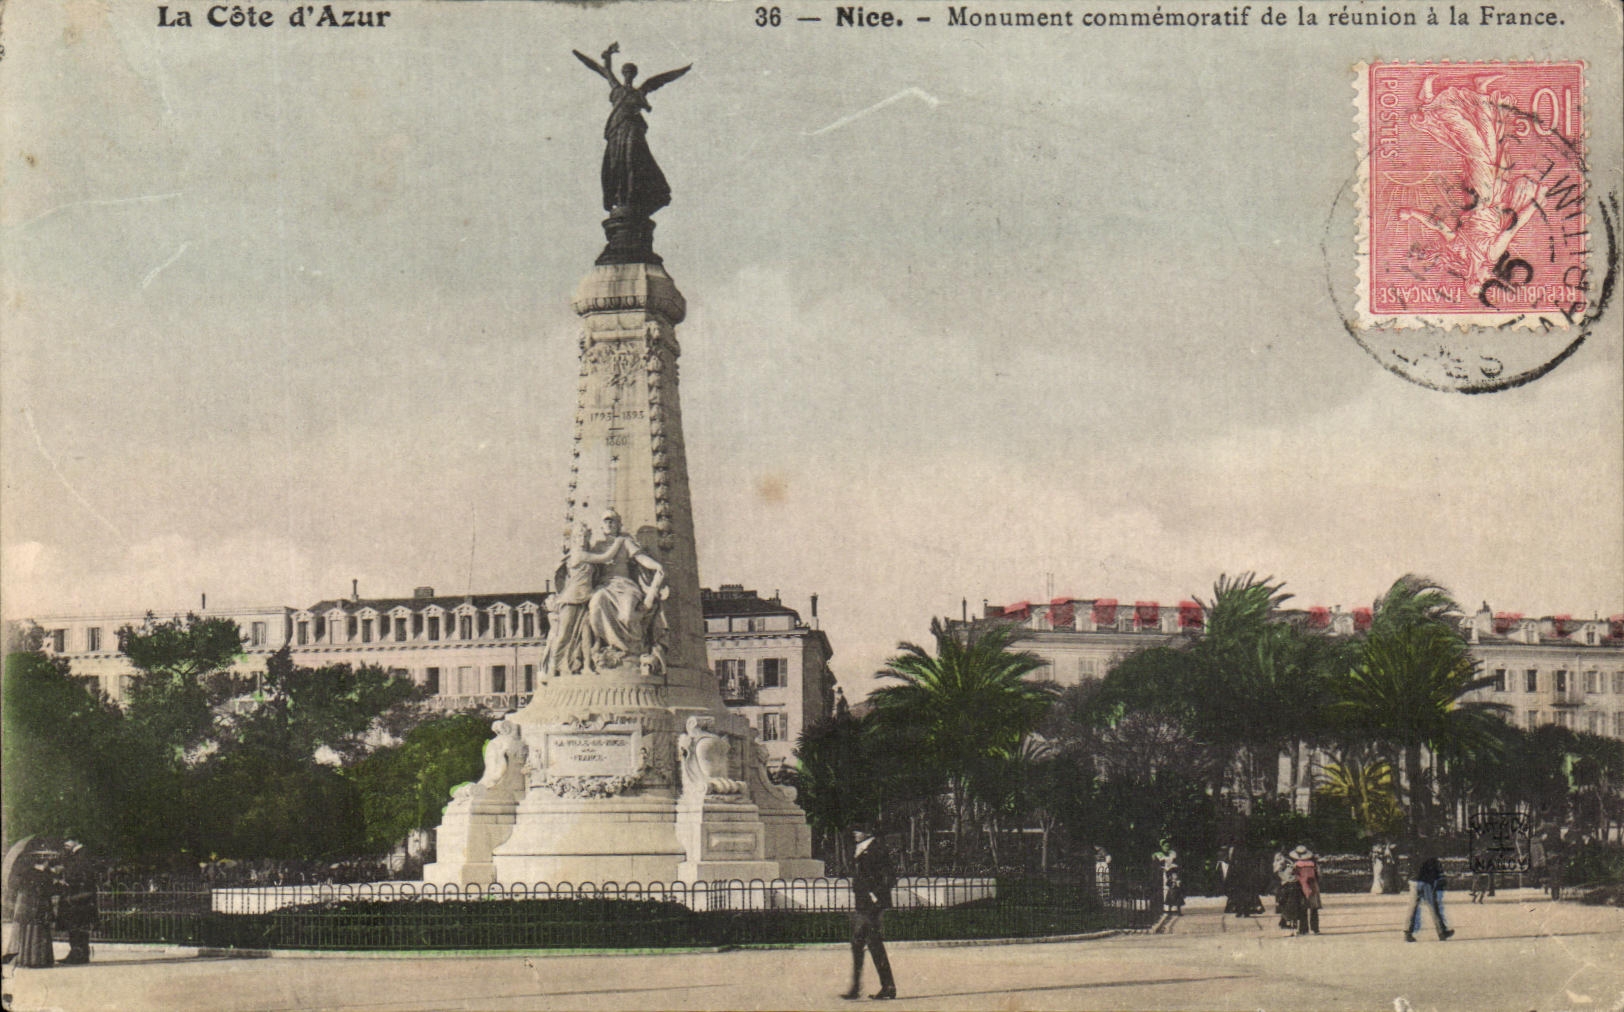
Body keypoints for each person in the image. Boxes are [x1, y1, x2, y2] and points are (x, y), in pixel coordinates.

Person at [572, 44, 691, 215]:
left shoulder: (640, 92)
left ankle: (631, 195)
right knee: (617, 161)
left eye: (631, 73)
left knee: (633, 158)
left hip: (633, 128)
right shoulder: (617, 88)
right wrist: (606, 58)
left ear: (634, 75)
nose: (628, 75)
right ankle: (620, 196)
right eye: (626, 72)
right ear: (623, 74)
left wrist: (646, 105)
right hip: (616, 128)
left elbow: (661, 81)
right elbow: (602, 70)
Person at [583, 508, 666, 668]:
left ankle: (632, 649)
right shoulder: (598, 547)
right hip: (605, 586)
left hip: (625, 585)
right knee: (596, 603)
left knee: (627, 614)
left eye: (612, 520)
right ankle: (606, 646)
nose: (609, 523)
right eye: (606, 520)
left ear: (618, 524)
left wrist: (656, 566)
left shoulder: (626, 542)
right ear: (601, 526)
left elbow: (641, 558)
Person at [843, 824, 897, 1001]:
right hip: (863, 904)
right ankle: (870, 986)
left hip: (872, 905)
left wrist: (876, 895)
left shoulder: (877, 849)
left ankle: (876, 987)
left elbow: (891, 876)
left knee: (866, 942)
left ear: (869, 831)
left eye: (858, 830)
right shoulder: (861, 849)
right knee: (863, 942)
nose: (854, 833)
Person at [56, 841, 97, 965]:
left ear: (76, 841)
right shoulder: (77, 854)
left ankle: (78, 955)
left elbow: (83, 876)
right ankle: (79, 954)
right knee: (77, 926)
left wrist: (66, 880)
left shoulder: (82, 855)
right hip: (80, 896)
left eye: (68, 840)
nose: (65, 843)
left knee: (77, 926)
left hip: (79, 897)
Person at [1405, 849, 1454, 941]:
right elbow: (1435, 870)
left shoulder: (1414, 851)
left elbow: (1410, 866)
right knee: (1433, 907)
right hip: (1426, 882)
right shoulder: (1430, 852)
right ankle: (1441, 932)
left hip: (1414, 880)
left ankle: (1407, 932)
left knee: (1413, 906)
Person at [1290, 844, 1322, 935]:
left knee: (1302, 908)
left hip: (1301, 886)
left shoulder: (1295, 865)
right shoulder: (1314, 864)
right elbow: (1319, 874)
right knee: (1314, 908)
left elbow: (1291, 874)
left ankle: (1303, 929)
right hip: (1313, 886)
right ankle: (1315, 928)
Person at [1273, 847, 1299, 931]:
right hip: (1286, 883)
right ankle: (1287, 921)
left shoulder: (1279, 861)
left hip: (1282, 883)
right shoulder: (1286, 862)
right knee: (1288, 902)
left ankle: (1284, 920)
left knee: (1284, 902)